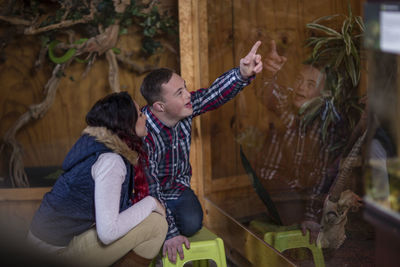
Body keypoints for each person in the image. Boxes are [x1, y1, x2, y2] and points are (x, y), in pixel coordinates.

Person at [140, 41, 263, 263]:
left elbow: (213, 94)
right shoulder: (142, 132)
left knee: (192, 222)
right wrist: (170, 235)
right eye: (180, 92)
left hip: (176, 190)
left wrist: (242, 74)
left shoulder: (184, 110)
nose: (188, 95)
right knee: (156, 230)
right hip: (144, 195)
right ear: (160, 106)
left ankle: (163, 227)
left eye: (185, 87)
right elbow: (150, 187)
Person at [27, 92, 167, 267]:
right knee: (156, 224)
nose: (145, 117)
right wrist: (151, 202)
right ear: (125, 123)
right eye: (139, 114)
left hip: (50, 243)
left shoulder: (98, 145)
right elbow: (108, 232)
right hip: (53, 253)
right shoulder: (111, 161)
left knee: (141, 219)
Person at [255, 40, 342, 244]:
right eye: (299, 80)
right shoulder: (288, 101)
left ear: (324, 94)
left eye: (310, 84)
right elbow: (268, 94)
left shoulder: (328, 123)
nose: (301, 87)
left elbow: (324, 173)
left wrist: (311, 214)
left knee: (320, 221)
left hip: (303, 188)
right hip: (275, 180)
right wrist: (268, 75)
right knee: (295, 221)